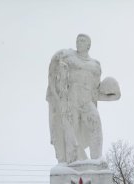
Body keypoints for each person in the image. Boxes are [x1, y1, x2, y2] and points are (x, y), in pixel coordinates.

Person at [47, 34, 120, 164]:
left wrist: (112, 93)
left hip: (87, 101)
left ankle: (96, 159)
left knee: (96, 126)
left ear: (88, 45)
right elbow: (54, 72)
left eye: (82, 40)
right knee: (71, 132)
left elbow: (96, 90)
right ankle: (72, 161)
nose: (79, 42)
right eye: (78, 40)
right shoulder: (68, 57)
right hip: (71, 100)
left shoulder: (95, 65)